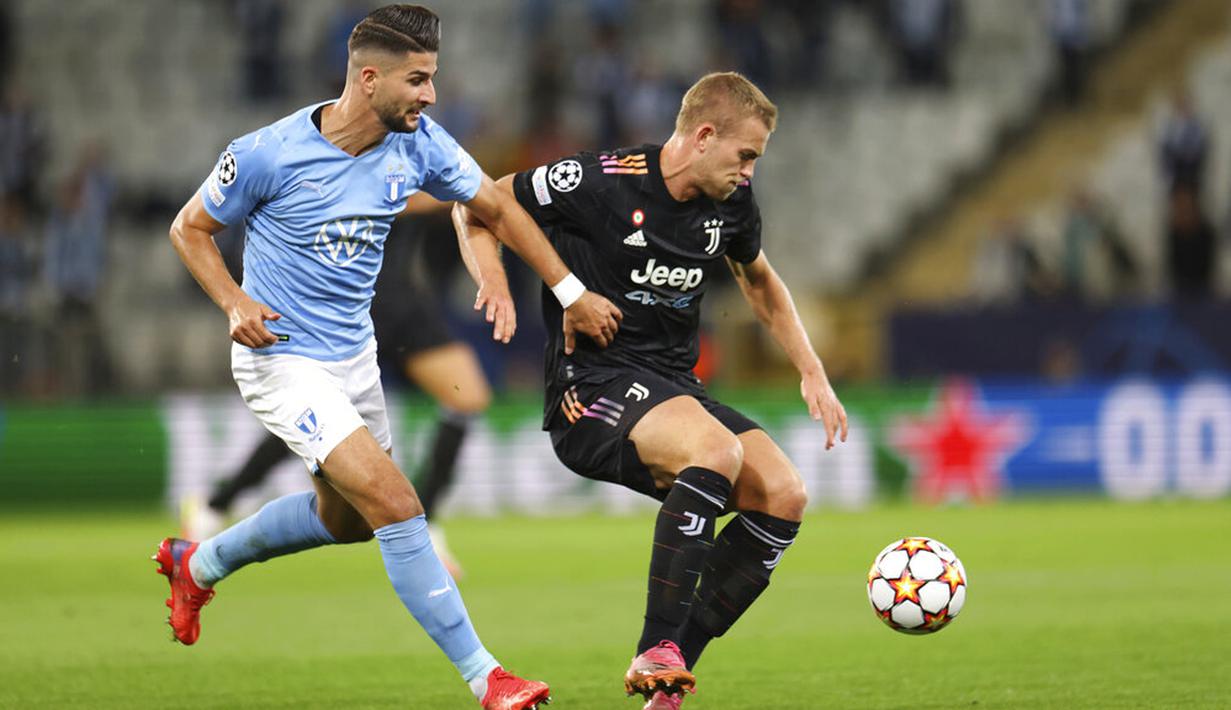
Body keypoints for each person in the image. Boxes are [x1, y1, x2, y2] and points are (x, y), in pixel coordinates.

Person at [156, 6, 621, 709]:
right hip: (281, 358)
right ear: (369, 78)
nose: (431, 94)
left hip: (354, 358)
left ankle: (198, 563)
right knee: (399, 504)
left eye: (432, 78)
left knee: (346, 521)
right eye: (418, 80)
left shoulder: (421, 144)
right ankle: (488, 678)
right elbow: (189, 228)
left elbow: (493, 207)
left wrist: (560, 289)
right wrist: (233, 302)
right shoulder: (265, 152)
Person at [454, 72, 848, 709]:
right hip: (591, 390)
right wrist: (495, 281)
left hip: (674, 387)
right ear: (703, 136)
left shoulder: (731, 204)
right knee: (716, 451)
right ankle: (655, 645)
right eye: (745, 155)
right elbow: (476, 205)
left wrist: (811, 369)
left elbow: (759, 282)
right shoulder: (600, 181)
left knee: (783, 494)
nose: (749, 172)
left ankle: (668, 680)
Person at [182, 203, 491, 579]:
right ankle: (216, 505)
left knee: (466, 395)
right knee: (321, 421)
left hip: (402, 298)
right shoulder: (356, 170)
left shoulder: (416, 162)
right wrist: (460, 191)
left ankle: (426, 521)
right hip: (346, 301)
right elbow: (396, 197)